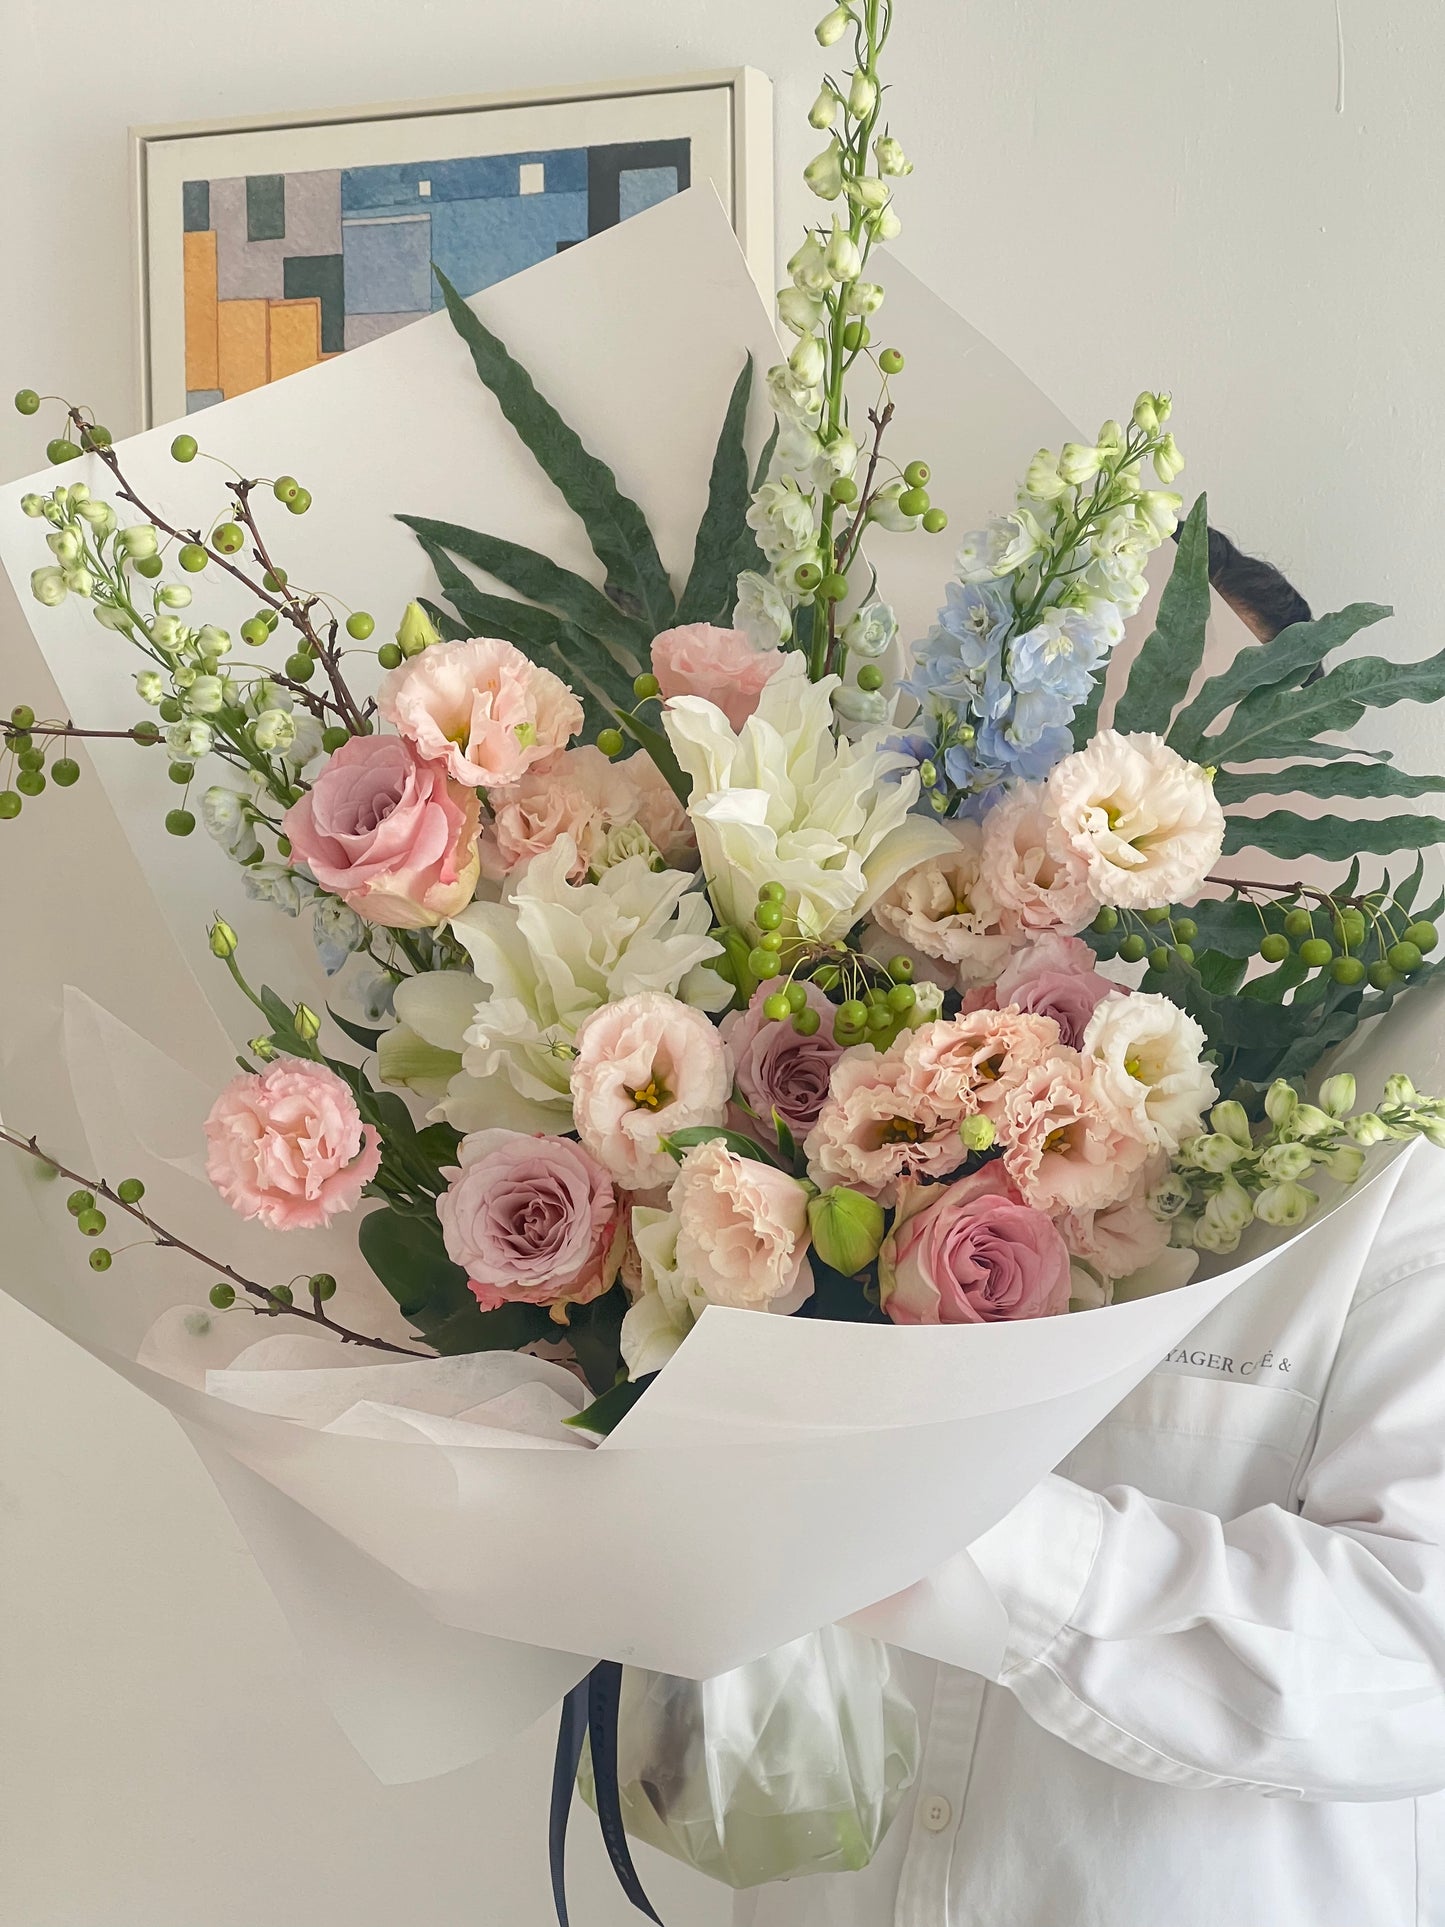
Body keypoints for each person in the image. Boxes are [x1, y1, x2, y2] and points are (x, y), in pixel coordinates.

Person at [733, 551, 1445, 1927]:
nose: (1080, 836)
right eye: (1052, 760)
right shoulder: (843, 1105)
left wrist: (942, 1541)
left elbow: (1411, 1668)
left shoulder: (1399, 1169)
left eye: (1152, 793)